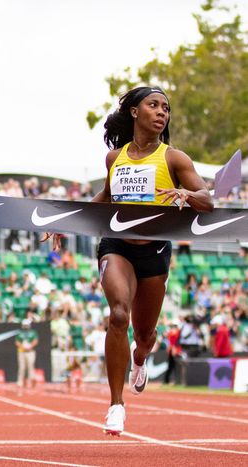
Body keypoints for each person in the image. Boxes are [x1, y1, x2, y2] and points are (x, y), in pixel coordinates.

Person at [68, 86, 213, 436]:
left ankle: (140, 357)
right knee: (118, 315)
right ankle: (116, 405)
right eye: (154, 105)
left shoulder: (174, 159)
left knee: (145, 334)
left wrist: (187, 193)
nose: (162, 112)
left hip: (155, 251)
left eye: (166, 108)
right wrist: (66, 221)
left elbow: (207, 200)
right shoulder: (114, 158)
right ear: (135, 112)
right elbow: (106, 196)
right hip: (116, 243)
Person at [15, 318, 39, 388]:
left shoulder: (33, 332)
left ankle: (31, 381)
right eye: (24, 325)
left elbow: (35, 341)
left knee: (30, 366)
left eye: (27, 325)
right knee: (21, 367)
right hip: (21, 352)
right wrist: (22, 347)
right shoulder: (20, 332)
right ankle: (20, 381)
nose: (25, 326)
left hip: (30, 351)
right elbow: (17, 342)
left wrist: (30, 346)